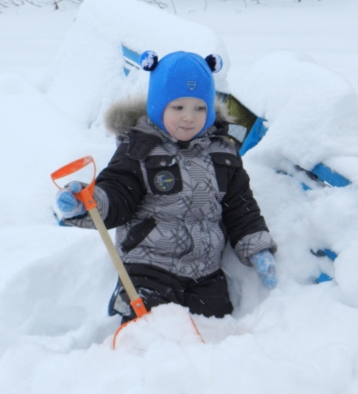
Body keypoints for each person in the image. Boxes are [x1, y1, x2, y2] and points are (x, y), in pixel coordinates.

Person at [55, 50, 277, 323]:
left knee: (216, 327)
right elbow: (118, 192)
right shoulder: (139, 150)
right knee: (149, 322)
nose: (189, 117)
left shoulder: (223, 153)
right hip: (149, 265)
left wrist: (256, 246)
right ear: (158, 106)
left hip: (205, 273)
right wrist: (89, 201)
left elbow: (240, 206)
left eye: (199, 108)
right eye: (178, 107)